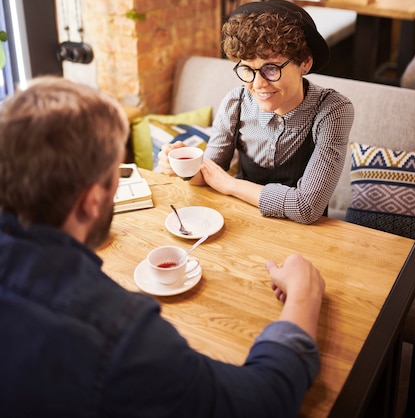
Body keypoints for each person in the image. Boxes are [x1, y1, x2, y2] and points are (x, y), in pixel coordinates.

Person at [0, 76, 325, 418]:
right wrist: (304, 296)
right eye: (116, 176)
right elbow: (263, 402)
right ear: (92, 201)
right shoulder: (121, 336)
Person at [159, 0, 354, 224]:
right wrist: (184, 166)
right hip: (243, 223)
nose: (258, 84)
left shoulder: (333, 110)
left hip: (305, 234)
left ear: (305, 63)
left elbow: (306, 207)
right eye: (247, 69)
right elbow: (210, 174)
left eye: (271, 68)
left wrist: (231, 184)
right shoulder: (236, 102)